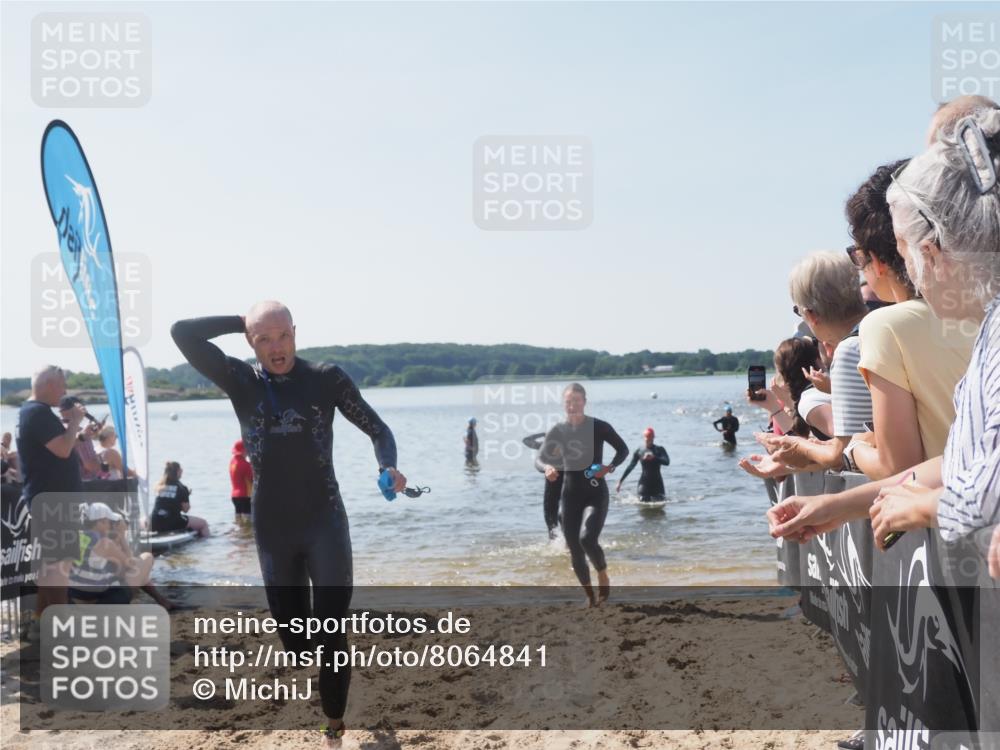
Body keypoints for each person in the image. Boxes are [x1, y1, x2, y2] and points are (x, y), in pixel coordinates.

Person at [171, 301, 405, 748]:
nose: (277, 348)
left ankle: (334, 727)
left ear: (295, 332)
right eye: (264, 339)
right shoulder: (239, 379)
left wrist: (388, 466)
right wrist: (239, 321)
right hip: (274, 529)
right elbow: (182, 331)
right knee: (297, 642)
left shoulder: (326, 378)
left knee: (332, 631)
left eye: (283, 336)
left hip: (324, 521)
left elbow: (378, 429)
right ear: (250, 341)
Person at [767, 105, 1000, 552]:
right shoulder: (987, 329)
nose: (908, 270)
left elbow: (983, 497)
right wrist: (838, 506)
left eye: (905, 250)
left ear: (932, 252)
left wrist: (920, 507)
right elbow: (960, 464)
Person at [845, 160, 976, 480]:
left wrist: (854, 449)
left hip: (945, 508)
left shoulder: (885, 326)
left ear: (876, 260)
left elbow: (898, 467)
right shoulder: (981, 309)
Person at [751, 251, 872, 474]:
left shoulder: (850, 351)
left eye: (798, 311)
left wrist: (799, 446)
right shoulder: (890, 324)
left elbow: (843, 453)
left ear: (812, 315)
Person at [537, 383, 628, 607]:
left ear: (584, 402)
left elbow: (623, 449)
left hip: (596, 493)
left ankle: (603, 573)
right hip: (570, 496)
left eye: (576, 400)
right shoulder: (558, 430)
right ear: (564, 404)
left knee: (587, 539)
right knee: (575, 549)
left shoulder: (599, 427)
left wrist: (609, 467)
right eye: (568, 401)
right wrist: (547, 468)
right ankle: (589, 596)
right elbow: (540, 458)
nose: (572, 405)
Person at [15, 366, 84, 637]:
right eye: (62, 385)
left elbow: (58, 448)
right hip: (53, 500)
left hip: (51, 498)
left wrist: (73, 430)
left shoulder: (33, 412)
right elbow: (63, 449)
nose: (64, 392)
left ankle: (40, 624)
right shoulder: (37, 412)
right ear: (49, 384)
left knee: (51, 567)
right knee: (57, 566)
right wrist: (75, 422)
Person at [68, 502, 153, 605]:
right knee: (147, 558)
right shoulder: (104, 543)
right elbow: (131, 564)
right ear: (101, 522)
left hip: (74, 594)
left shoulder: (79, 536)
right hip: (96, 600)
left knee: (117, 570)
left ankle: (161, 600)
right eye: (109, 522)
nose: (110, 526)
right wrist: (122, 535)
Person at [151, 461, 209, 537]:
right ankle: (206, 541)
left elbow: (165, 503)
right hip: (172, 523)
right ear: (178, 472)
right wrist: (186, 495)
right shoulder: (181, 487)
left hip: (154, 523)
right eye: (181, 470)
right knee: (203, 524)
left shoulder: (158, 486)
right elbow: (186, 510)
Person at [523, 431, 563, 539]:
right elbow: (526, 441)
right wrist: (543, 434)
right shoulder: (544, 446)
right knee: (551, 524)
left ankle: (569, 541)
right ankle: (556, 543)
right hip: (551, 489)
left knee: (564, 516)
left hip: (568, 487)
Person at [616, 427, 669, 502]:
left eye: (650, 437)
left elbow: (667, 462)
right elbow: (631, 466)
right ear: (644, 437)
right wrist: (620, 481)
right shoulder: (639, 451)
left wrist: (654, 457)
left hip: (657, 484)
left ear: (653, 437)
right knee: (641, 502)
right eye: (647, 437)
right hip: (644, 483)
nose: (648, 439)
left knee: (660, 503)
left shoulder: (659, 449)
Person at [58, 397, 102, 481]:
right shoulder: (80, 433)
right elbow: (90, 466)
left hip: (65, 481)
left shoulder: (56, 427)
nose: (84, 411)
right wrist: (110, 464)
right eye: (81, 408)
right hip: (85, 482)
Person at [229, 440, 253, 515]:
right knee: (247, 519)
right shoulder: (246, 465)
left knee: (238, 519)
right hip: (245, 496)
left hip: (234, 496)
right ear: (244, 451)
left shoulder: (232, 462)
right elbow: (252, 480)